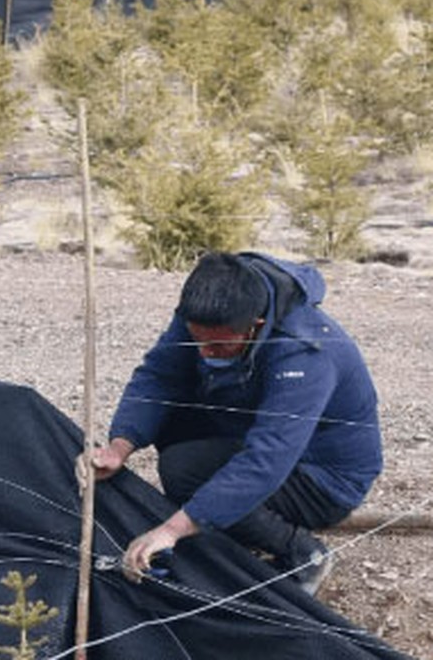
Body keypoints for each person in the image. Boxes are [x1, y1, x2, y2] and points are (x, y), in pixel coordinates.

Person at [85, 251, 382, 595]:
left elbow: (267, 458)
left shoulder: (306, 353)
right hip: (255, 431)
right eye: (198, 340)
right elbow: (160, 375)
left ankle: (302, 551)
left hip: (326, 478)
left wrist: (171, 530)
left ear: (254, 326)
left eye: (218, 346)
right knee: (172, 419)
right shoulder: (208, 312)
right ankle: (224, 521)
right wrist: (119, 447)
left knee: (184, 470)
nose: (205, 352)